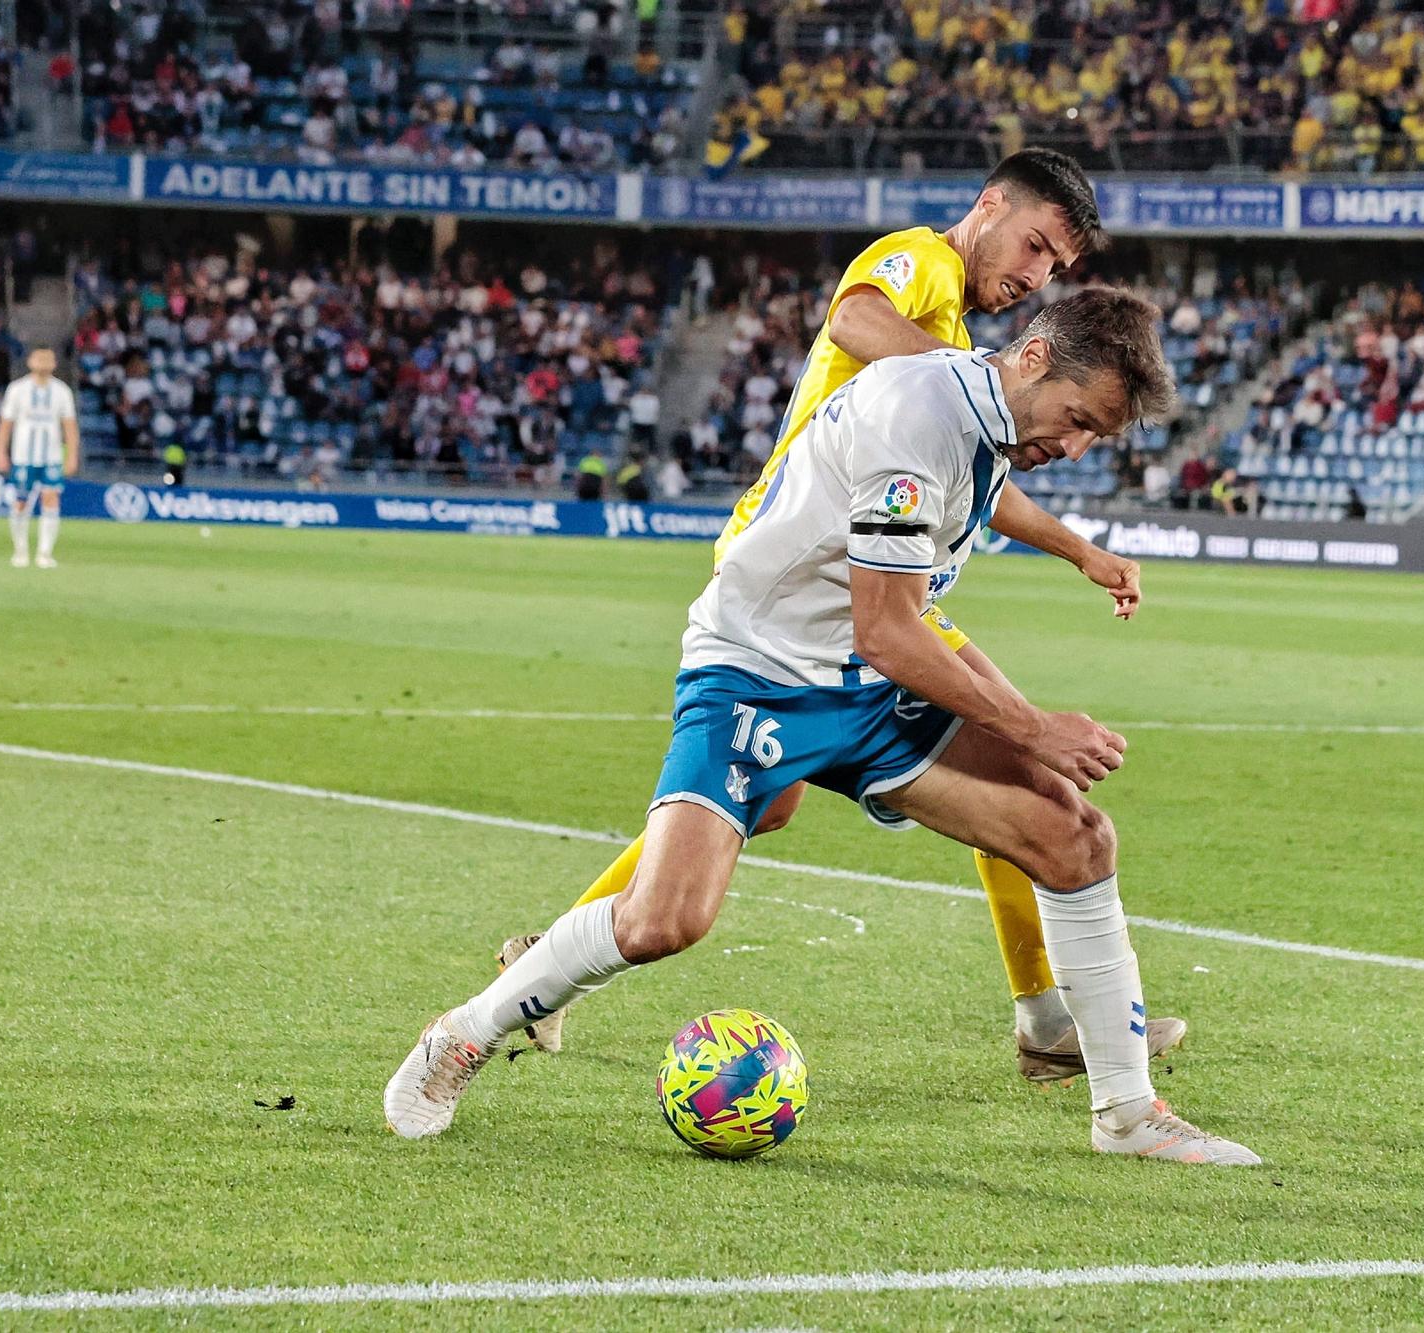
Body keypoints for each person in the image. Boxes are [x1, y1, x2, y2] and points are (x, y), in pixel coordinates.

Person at [389, 290, 1258, 1166]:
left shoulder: (986, 417)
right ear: (1032, 359)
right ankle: (462, 1034)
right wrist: (1033, 728)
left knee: (1074, 837)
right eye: (1076, 420)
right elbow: (889, 626)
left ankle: (1127, 1112)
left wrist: (1080, 551)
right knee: (664, 920)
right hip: (760, 673)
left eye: (1094, 436)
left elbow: (956, 534)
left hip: (868, 681)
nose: (1072, 447)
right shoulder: (917, 411)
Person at [500, 149, 1186, 1086]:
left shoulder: (974, 372)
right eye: (1035, 245)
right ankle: (1045, 1017)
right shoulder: (924, 263)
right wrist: (955, 374)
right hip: (811, 567)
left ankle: (549, 963)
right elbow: (855, 315)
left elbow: (979, 478)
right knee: (1020, 756)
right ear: (988, 205)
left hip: (872, 559)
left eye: (1056, 268)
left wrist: (1081, 550)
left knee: (768, 801)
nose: (1037, 275)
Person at [0, 349, 79, 570]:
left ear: (54, 363)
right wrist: (0, 451)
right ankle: (20, 551)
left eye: (48, 358)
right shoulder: (17, 389)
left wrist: (71, 456)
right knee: (21, 502)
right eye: (39, 357)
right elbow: (6, 424)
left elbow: (69, 426)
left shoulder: (62, 391)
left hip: (51, 456)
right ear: (30, 362)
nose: (44, 362)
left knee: (51, 499)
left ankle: (44, 553)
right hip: (23, 456)